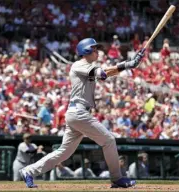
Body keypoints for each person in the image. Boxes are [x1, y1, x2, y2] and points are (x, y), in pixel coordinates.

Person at [20, 38, 144, 188]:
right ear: (86, 51)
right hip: (79, 113)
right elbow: (102, 73)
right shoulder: (79, 65)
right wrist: (126, 65)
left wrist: (128, 64)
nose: (97, 51)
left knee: (63, 152)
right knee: (109, 140)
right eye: (94, 49)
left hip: (76, 113)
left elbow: (105, 72)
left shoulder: (87, 66)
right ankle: (117, 178)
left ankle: (28, 171)